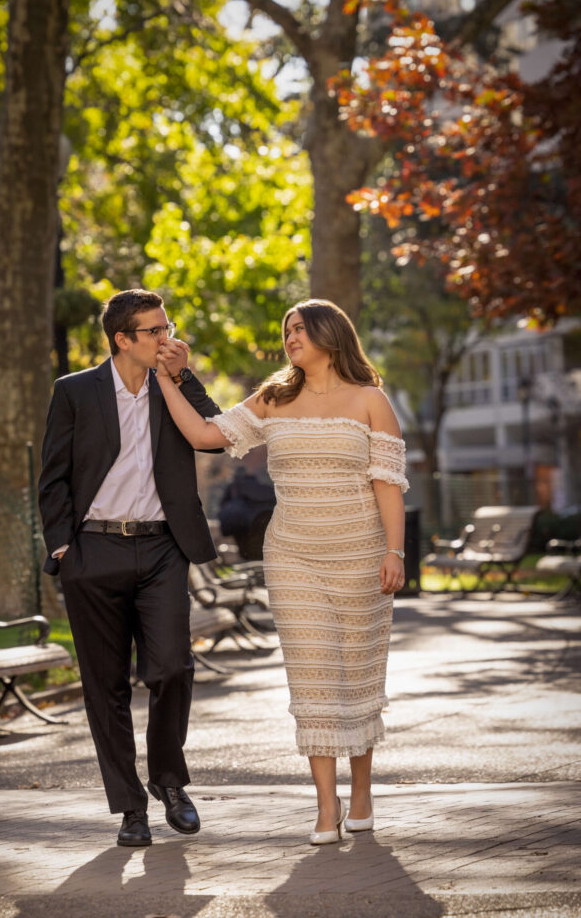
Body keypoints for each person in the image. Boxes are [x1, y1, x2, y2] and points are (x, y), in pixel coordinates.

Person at [155, 298, 408, 846]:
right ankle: (325, 805)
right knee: (313, 678)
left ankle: (360, 791)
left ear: (330, 333)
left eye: (300, 328)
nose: (290, 336)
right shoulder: (275, 397)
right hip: (292, 555)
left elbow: (387, 483)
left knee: (357, 674)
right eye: (286, 329)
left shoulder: (371, 401)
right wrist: (167, 378)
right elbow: (205, 435)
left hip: (361, 554)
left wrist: (396, 552)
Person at [38, 289, 221, 848]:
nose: (166, 338)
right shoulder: (75, 392)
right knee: (105, 687)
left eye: (168, 328)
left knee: (171, 669)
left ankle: (169, 780)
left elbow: (216, 434)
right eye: (155, 331)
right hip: (94, 552)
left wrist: (184, 376)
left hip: (163, 548)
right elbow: (53, 477)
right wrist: (65, 547)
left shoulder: (172, 386)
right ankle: (130, 808)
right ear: (123, 339)